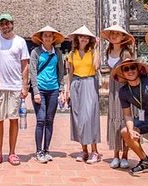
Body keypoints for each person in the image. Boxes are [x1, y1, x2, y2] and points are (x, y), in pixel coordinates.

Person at [111, 56, 148, 175]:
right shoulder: (124, 91)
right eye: (126, 69)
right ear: (123, 73)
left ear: (138, 69)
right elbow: (127, 114)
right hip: (145, 118)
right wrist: (131, 130)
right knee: (125, 132)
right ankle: (145, 161)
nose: (130, 71)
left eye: (132, 67)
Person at [0, 13, 30, 166]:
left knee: (14, 119)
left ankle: (12, 152)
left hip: (14, 85)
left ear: (12, 24)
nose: (5, 26)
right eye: (2, 24)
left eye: (7, 23)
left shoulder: (20, 41)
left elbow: (24, 65)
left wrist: (24, 85)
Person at [29, 25, 65, 163]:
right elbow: (32, 72)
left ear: (53, 38)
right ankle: (39, 151)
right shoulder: (36, 52)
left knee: (50, 120)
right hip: (40, 89)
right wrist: (36, 91)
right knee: (40, 120)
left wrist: (61, 89)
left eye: (50, 36)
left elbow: (61, 72)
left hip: (53, 89)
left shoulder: (57, 53)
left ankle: (46, 149)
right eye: (45, 36)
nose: (48, 38)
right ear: (41, 38)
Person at [66, 25, 102, 164]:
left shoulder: (92, 51)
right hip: (76, 83)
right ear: (77, 38)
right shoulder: (72, 54)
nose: (84, 38)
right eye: (81, 36)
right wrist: (67, 90)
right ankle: (84, 149)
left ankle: (95, 151)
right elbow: (70, 73)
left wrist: (97, 48)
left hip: (89, 82)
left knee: (89, 116)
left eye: (87, 37)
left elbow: (97, 66)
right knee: (77, 117)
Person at [101, 24, 134, 169]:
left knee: (125, 120)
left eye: (117, 34)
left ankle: (125, 154)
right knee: (114, 119)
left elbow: (131, 72)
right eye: (112, 34)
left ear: (123, 37)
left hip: (125, 88)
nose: (114, 36)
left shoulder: (126, 54)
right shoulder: (108, 52)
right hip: (113, 89)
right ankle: (115, 154)